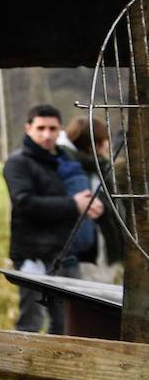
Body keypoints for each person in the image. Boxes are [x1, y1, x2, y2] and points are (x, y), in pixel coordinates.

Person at [3, 105, 105, 333]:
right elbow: (25, 202)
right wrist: (74, 205)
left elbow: (78, 192)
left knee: (66, 324)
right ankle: (21, 368)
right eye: (41, 128)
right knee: (30, 322)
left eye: (53, 128)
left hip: (67, 253)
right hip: (33, 255)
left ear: (60, 130)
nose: (47, 134)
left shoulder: (65, 159)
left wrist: (90, 205)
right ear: (28, 128)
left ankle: (57, 369)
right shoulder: (18, 162)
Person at [65, 115, 126, 278]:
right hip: (91, 249)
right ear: (95, 144)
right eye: (106, 140)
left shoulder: (99, 168)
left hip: (102, 246)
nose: (109, 145)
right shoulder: (82, 172)